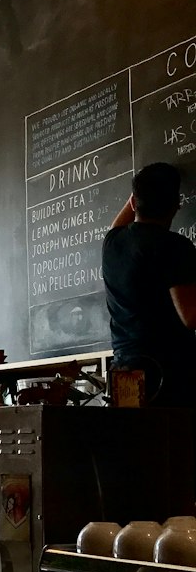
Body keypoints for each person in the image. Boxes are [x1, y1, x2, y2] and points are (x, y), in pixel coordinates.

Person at [102, 162, 196, 408]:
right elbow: (190, 316)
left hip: (123, 372)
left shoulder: (113, 244)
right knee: (174, 445)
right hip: (167, 375)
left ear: (134, 202)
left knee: (135, 443)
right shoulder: (176, 247)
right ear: (176, 204)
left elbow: (120, 223)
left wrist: (140, 193)